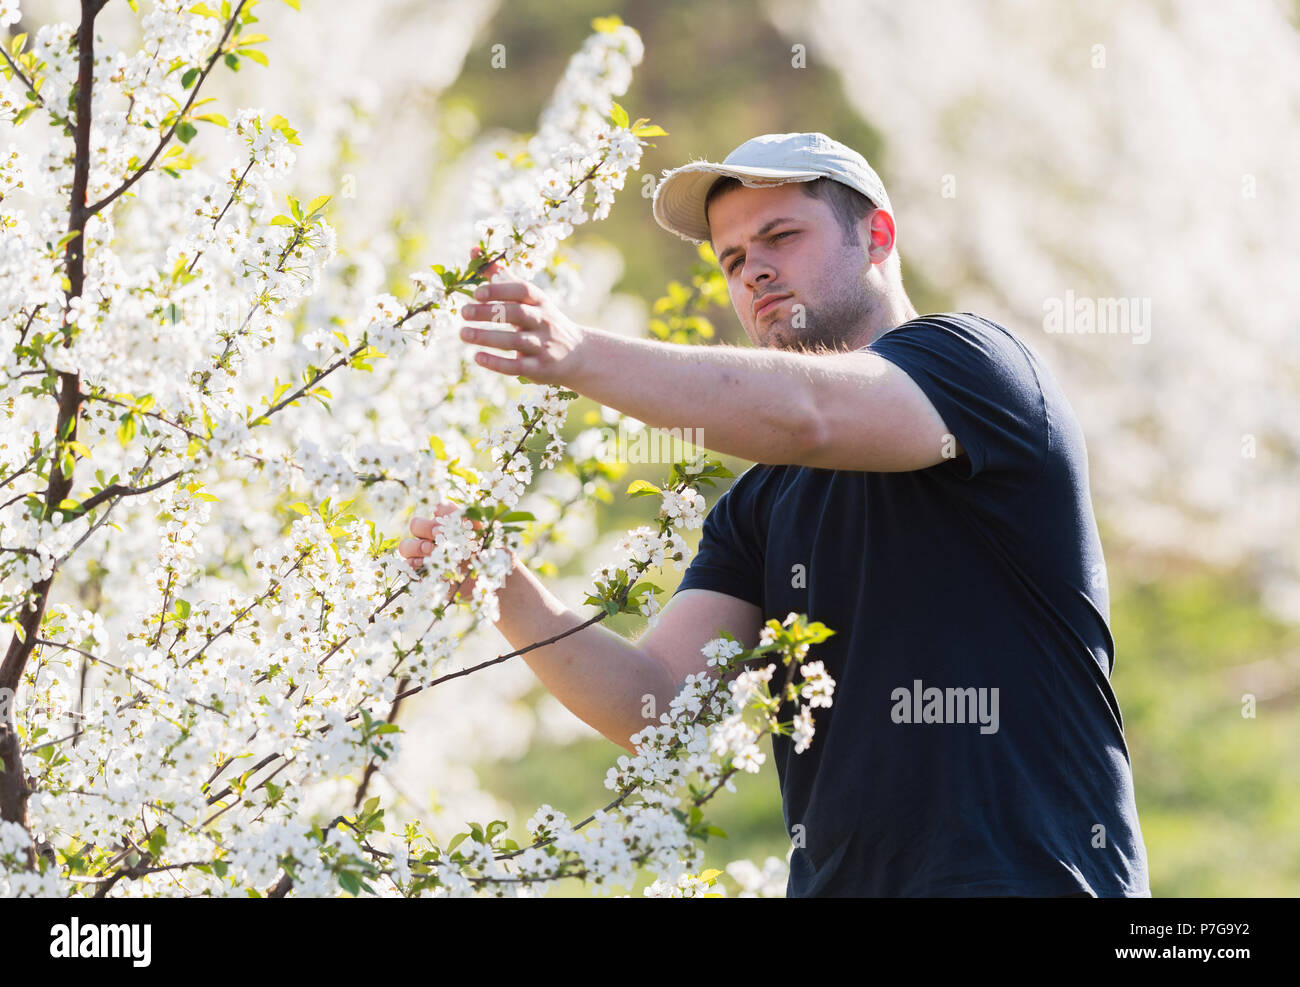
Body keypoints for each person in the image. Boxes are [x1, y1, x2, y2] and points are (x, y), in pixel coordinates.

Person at [398, 132, 1151, 898]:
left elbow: (807, 411)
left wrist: (576, 353)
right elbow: (653, 706)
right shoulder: (758, 505)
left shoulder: (977, 367)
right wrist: (502, 582)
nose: (753, 268)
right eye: (730, 258)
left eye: (781, 236)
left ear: (877, 236)